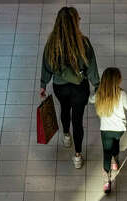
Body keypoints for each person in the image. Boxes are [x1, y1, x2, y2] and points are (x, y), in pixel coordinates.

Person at [40, 6, 100, 170]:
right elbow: (92, 68)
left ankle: (66, 135)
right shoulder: (84, 43)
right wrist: (97, 85)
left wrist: (43, 84)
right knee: (78, 120)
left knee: (65, 109)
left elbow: (47, 65)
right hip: (80, 88)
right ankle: (78, 156)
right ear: (74, 23)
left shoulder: (51, 44)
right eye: (78, 19)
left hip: (60, 87)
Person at [89, 67, 127, 194]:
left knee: (106, 153)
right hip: (119, 129)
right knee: (116, 143)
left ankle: (107, 181)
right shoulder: (122, 94)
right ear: (117, 81)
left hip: (106, 130)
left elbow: (91, 99)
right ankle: (115, 161)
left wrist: (94, 92)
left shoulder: (100, 93)